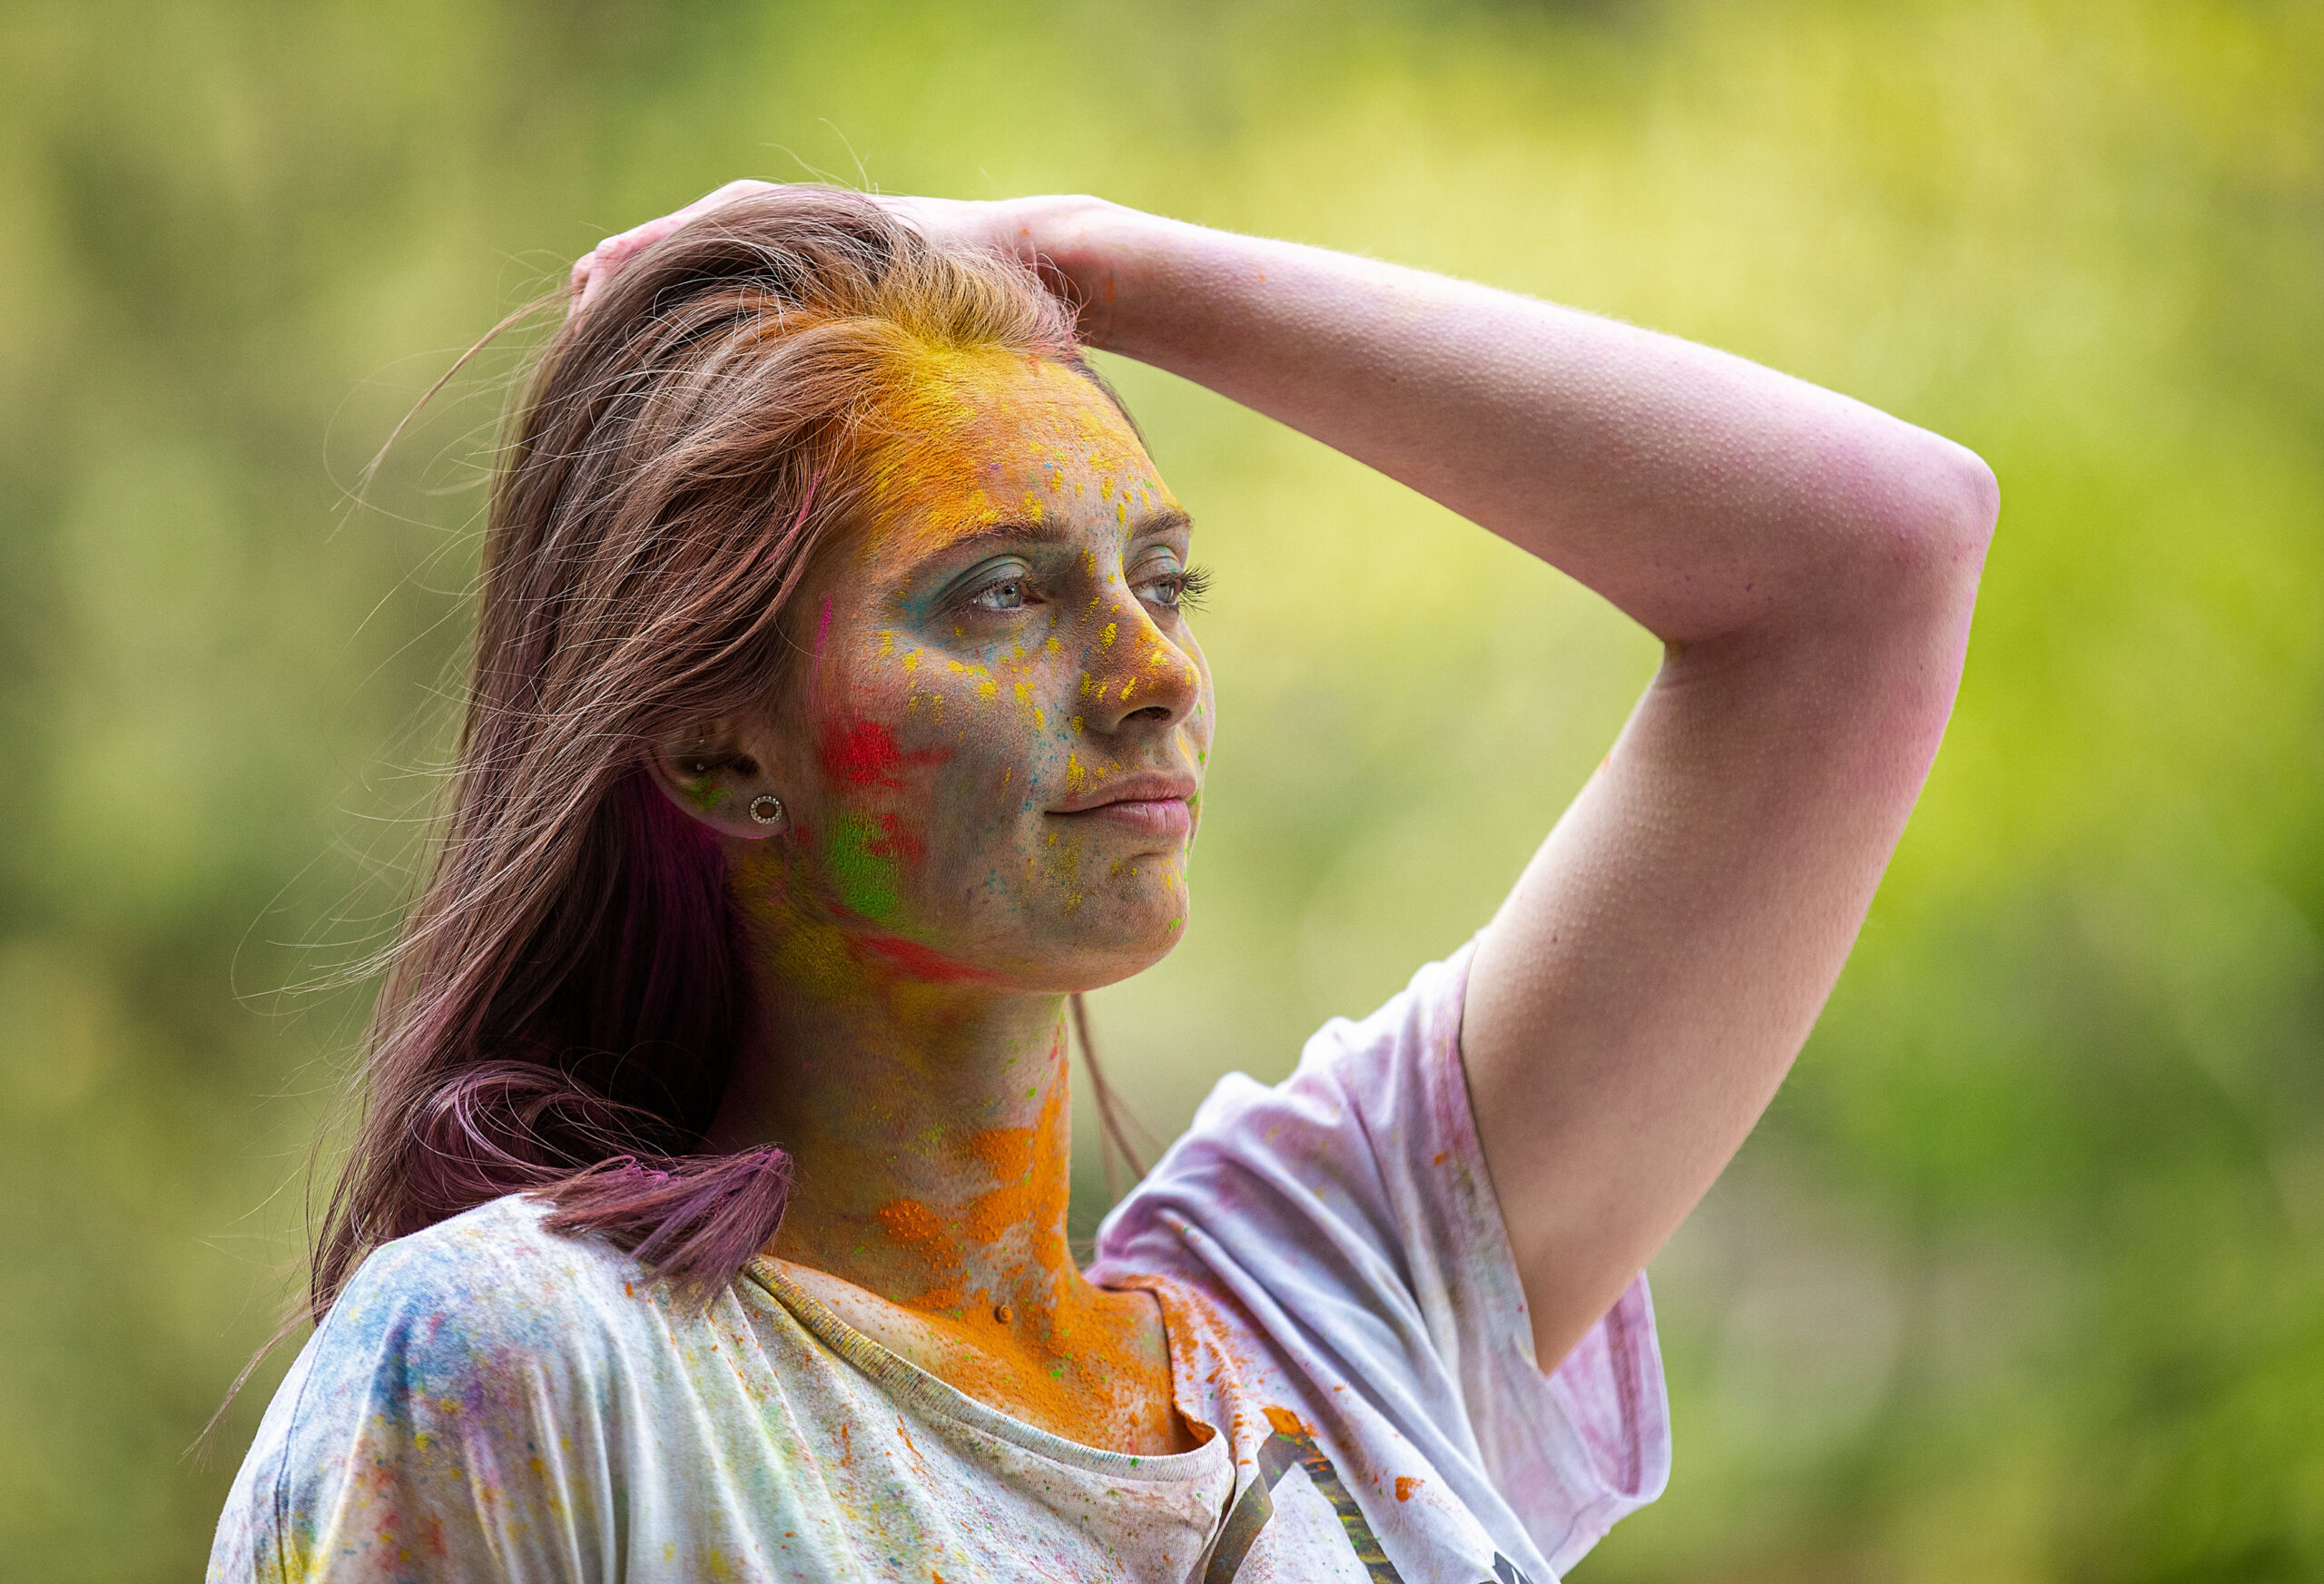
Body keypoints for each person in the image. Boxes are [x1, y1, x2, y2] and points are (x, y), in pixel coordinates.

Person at [208, 182, 1995, 1584]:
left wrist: (1083, 261)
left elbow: (1875, 554)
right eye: (999, 592)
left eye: (1161, 578)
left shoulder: (1339, 1313)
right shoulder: (524, 1365)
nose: (1155, 673)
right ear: (716, 749)